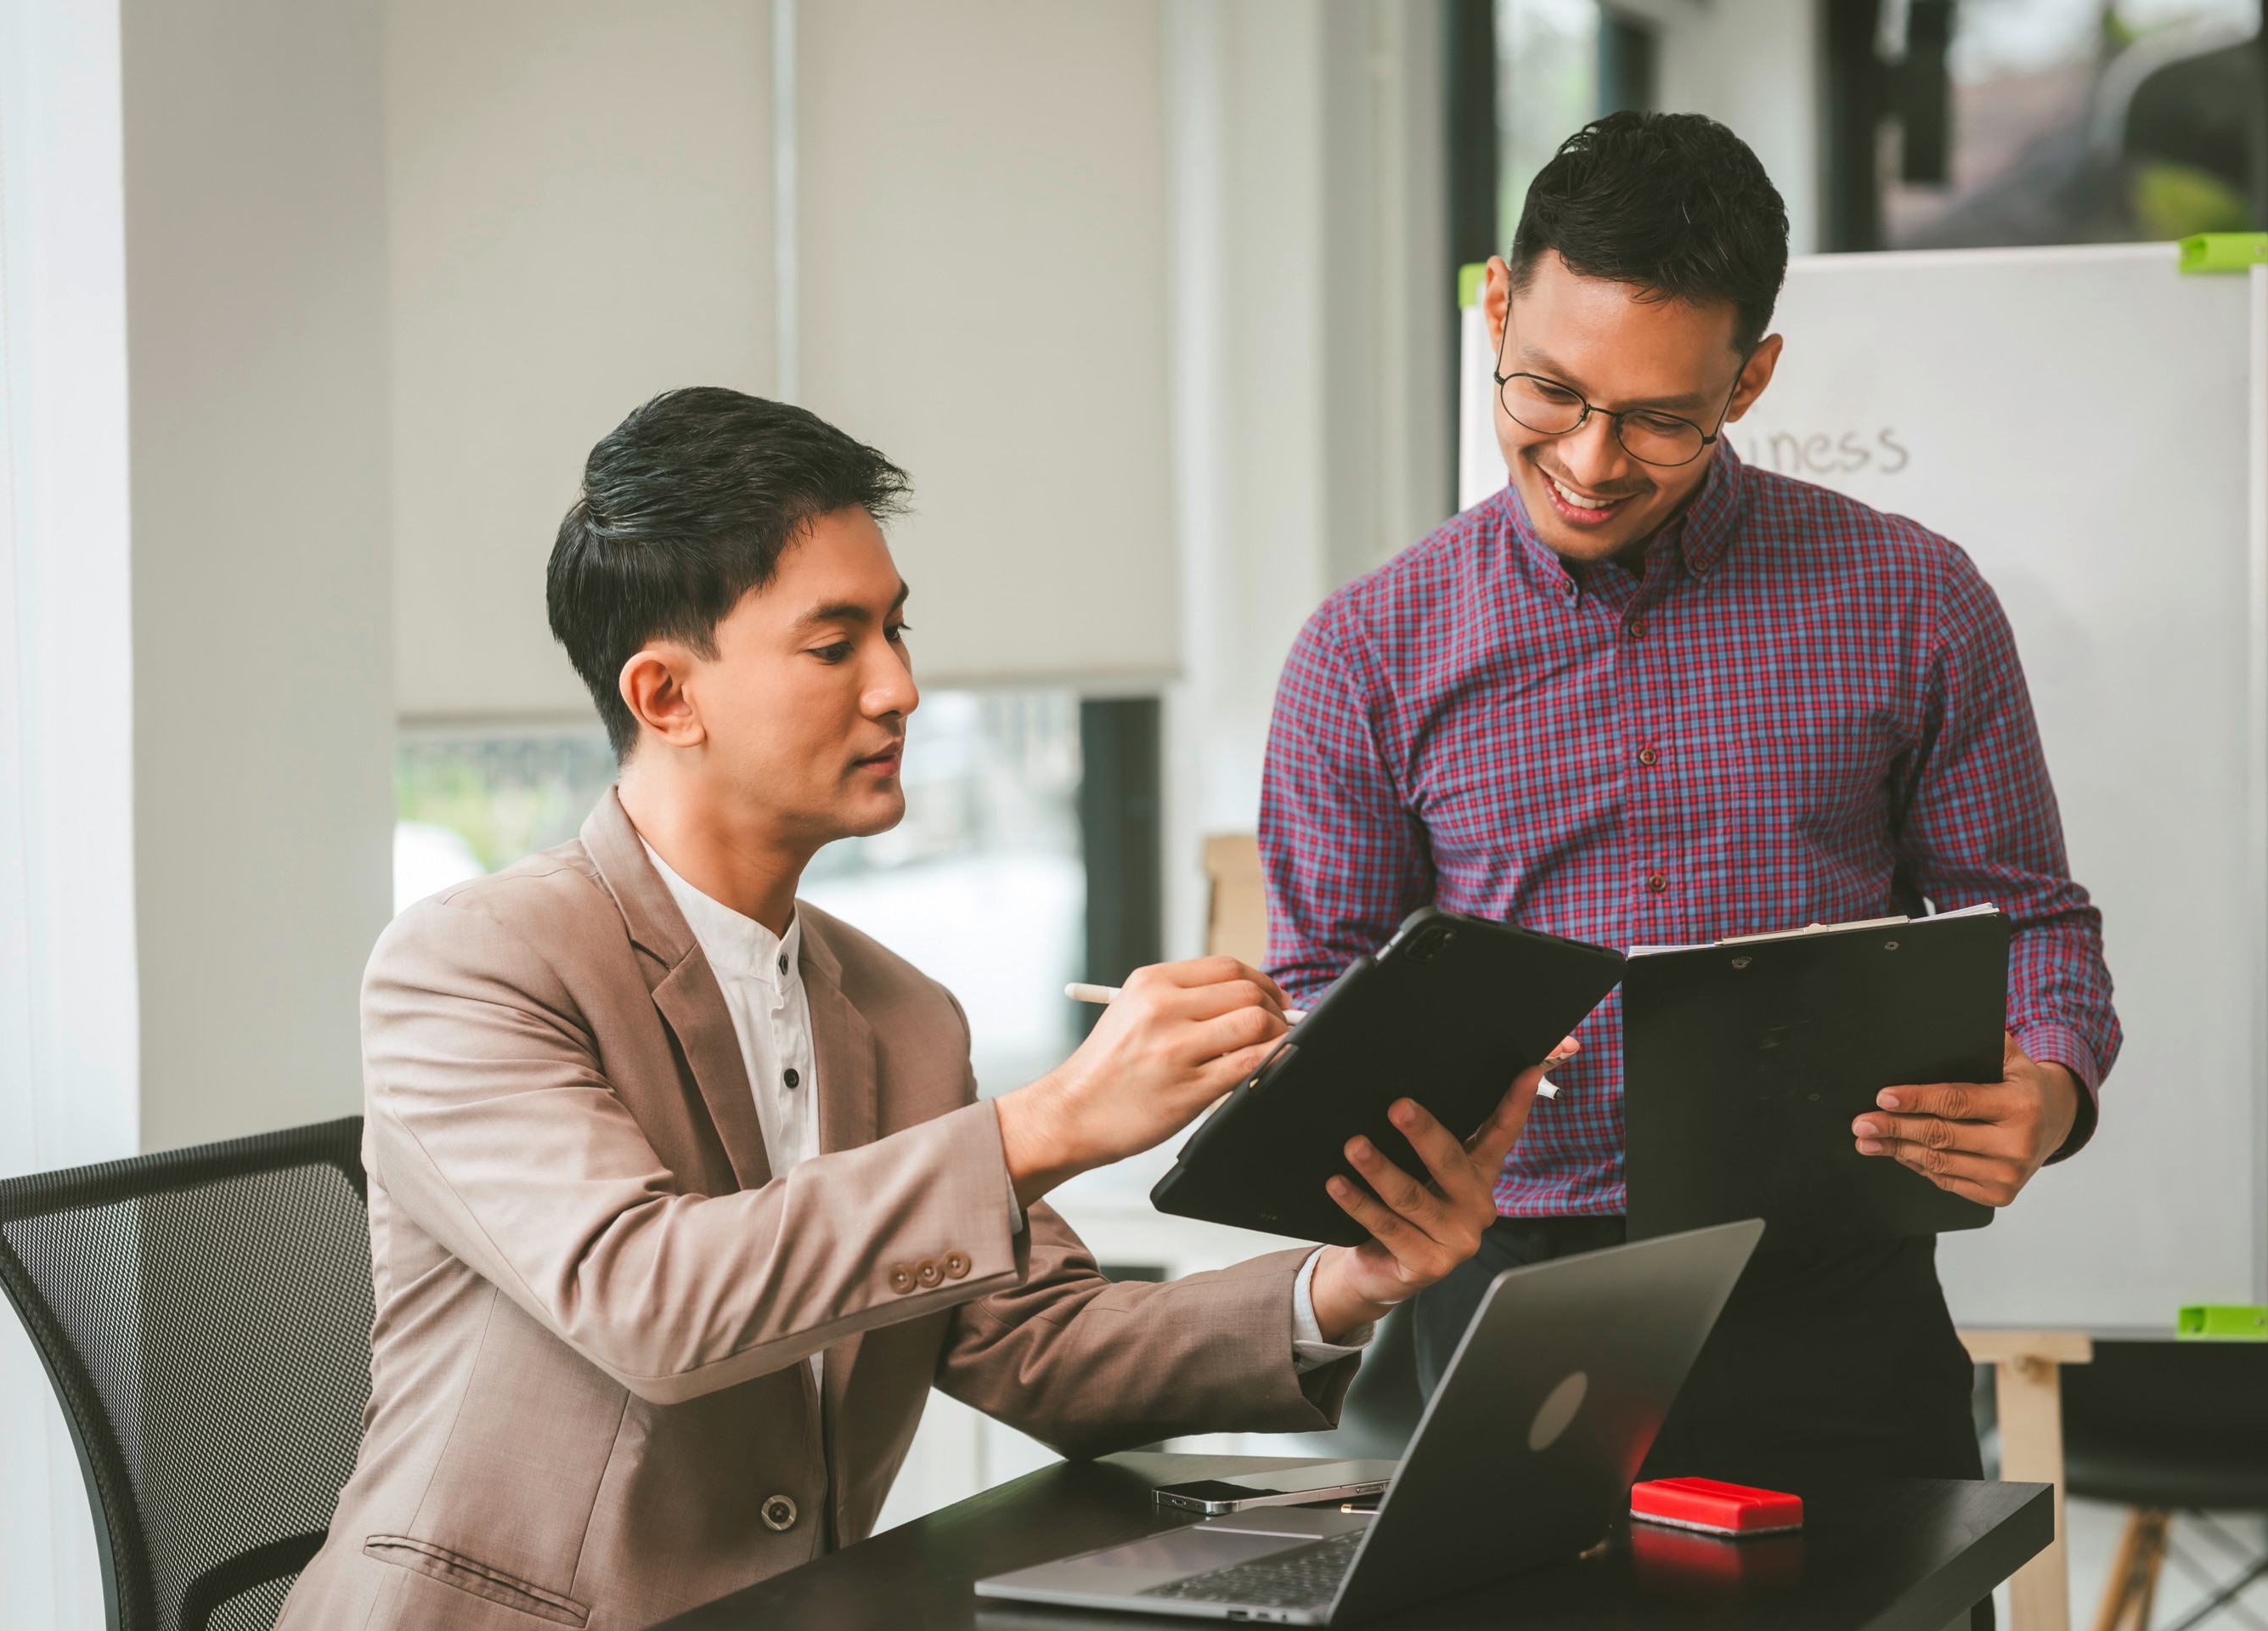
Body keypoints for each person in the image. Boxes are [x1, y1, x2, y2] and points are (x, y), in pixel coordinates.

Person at [280, 388, 1560, 1631]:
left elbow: (1044, 1344)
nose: (897, 687)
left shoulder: (901, 1014)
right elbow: (647, 1301)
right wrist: (1048, 1123)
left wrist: (1349, 1284)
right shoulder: (469, 964)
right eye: (834, 646)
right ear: (666, 697)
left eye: (897, 631)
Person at [1261, 113, 2121, 1496]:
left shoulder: (1913, 601)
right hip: (1512, 1302)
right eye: (1547, 391)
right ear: (1496, 301)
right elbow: (1318, 984)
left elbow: (2031, 922)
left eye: (1660, 417)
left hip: (1840, 1277)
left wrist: (2051, 1084)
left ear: (1751, 377)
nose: (1594, 462)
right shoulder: (1365, 653)